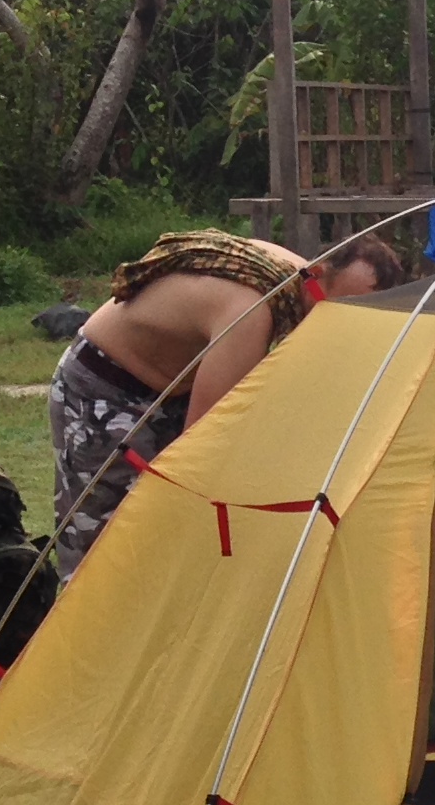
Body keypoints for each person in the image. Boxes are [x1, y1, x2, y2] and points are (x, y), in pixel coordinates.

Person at [46, 228, 406, 575]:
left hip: (168, 390)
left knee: (167, 536)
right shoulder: (252, 311)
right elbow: (204, 443)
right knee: (111, 542)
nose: (336, 325)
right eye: (336, 308)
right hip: (103, 386)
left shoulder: (299, 284)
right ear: (317, 271)